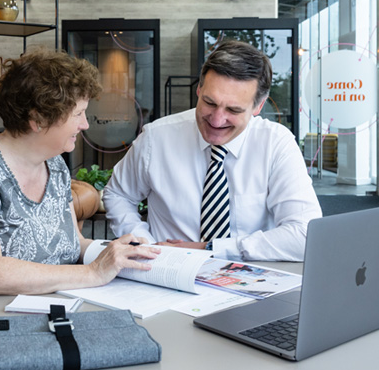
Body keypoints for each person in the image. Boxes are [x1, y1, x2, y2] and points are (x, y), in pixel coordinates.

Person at [0, 47, 160, 295]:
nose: (85, 124)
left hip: (41, 302)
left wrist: (119, 252)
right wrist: (93, 272)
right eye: (78, 113)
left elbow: (74, 244)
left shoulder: (55, 163)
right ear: (38, 119)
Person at [103, 40, 322, 262]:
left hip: (248, 280)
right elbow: (118, 195)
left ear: (258, 106)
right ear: (199, 89)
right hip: (166, 274)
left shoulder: (277, 144)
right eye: (209, 102)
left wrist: (211, 248)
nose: (217, 120)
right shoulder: (156, 138)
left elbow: (306, 234)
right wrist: (146, 245)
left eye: (233, 109)